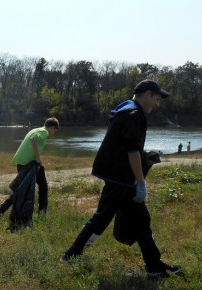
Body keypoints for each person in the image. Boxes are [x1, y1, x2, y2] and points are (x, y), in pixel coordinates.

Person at [61, 79, 181, 279]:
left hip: (123, 180)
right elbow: (131, 151)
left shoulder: (127, 112)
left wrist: (145, 155)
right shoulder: (135, 115)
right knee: (100, 220)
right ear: (147, 94)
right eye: (157, 99)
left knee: (142, 220)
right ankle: (71, 256)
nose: (157, 105)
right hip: (121, 180)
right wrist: (141, 181)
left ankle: (154, 265)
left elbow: (127, 147)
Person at [0, 117, 59, 230]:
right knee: (42, 187)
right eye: (55, 130)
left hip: (23, 162)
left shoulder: (36, 129)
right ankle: (42, 214)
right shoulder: (44, 132)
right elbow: (33, 140)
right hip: (30, 164)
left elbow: (32, 138)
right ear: (52, 127)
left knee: (22, 189)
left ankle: (1, 209)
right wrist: (38, 158)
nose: (54, 133)